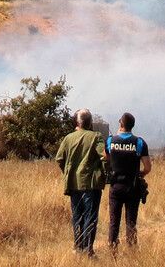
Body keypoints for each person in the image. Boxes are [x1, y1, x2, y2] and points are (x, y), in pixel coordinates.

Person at [55, 109, 108, 256]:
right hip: (91, 184)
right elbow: (104, 157)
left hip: (73, 183)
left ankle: (77, 247)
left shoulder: (68, 138)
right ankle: (88, 250)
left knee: (77, 216)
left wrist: (67, 172)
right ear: (90, 122)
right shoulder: (96, 137)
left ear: (76, 122)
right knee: (90, 216)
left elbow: (59, 159)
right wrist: (106, 175)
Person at [105, 112, 151, 248]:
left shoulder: (111, 140)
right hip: (132, 186)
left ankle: (112, 248)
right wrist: (140, 174)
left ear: (121, 124)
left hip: (116, 186)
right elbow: (148, 167)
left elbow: (106, 158)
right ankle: (131, 249)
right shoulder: (139, 142)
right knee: (131, 221)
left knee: (114, 221)